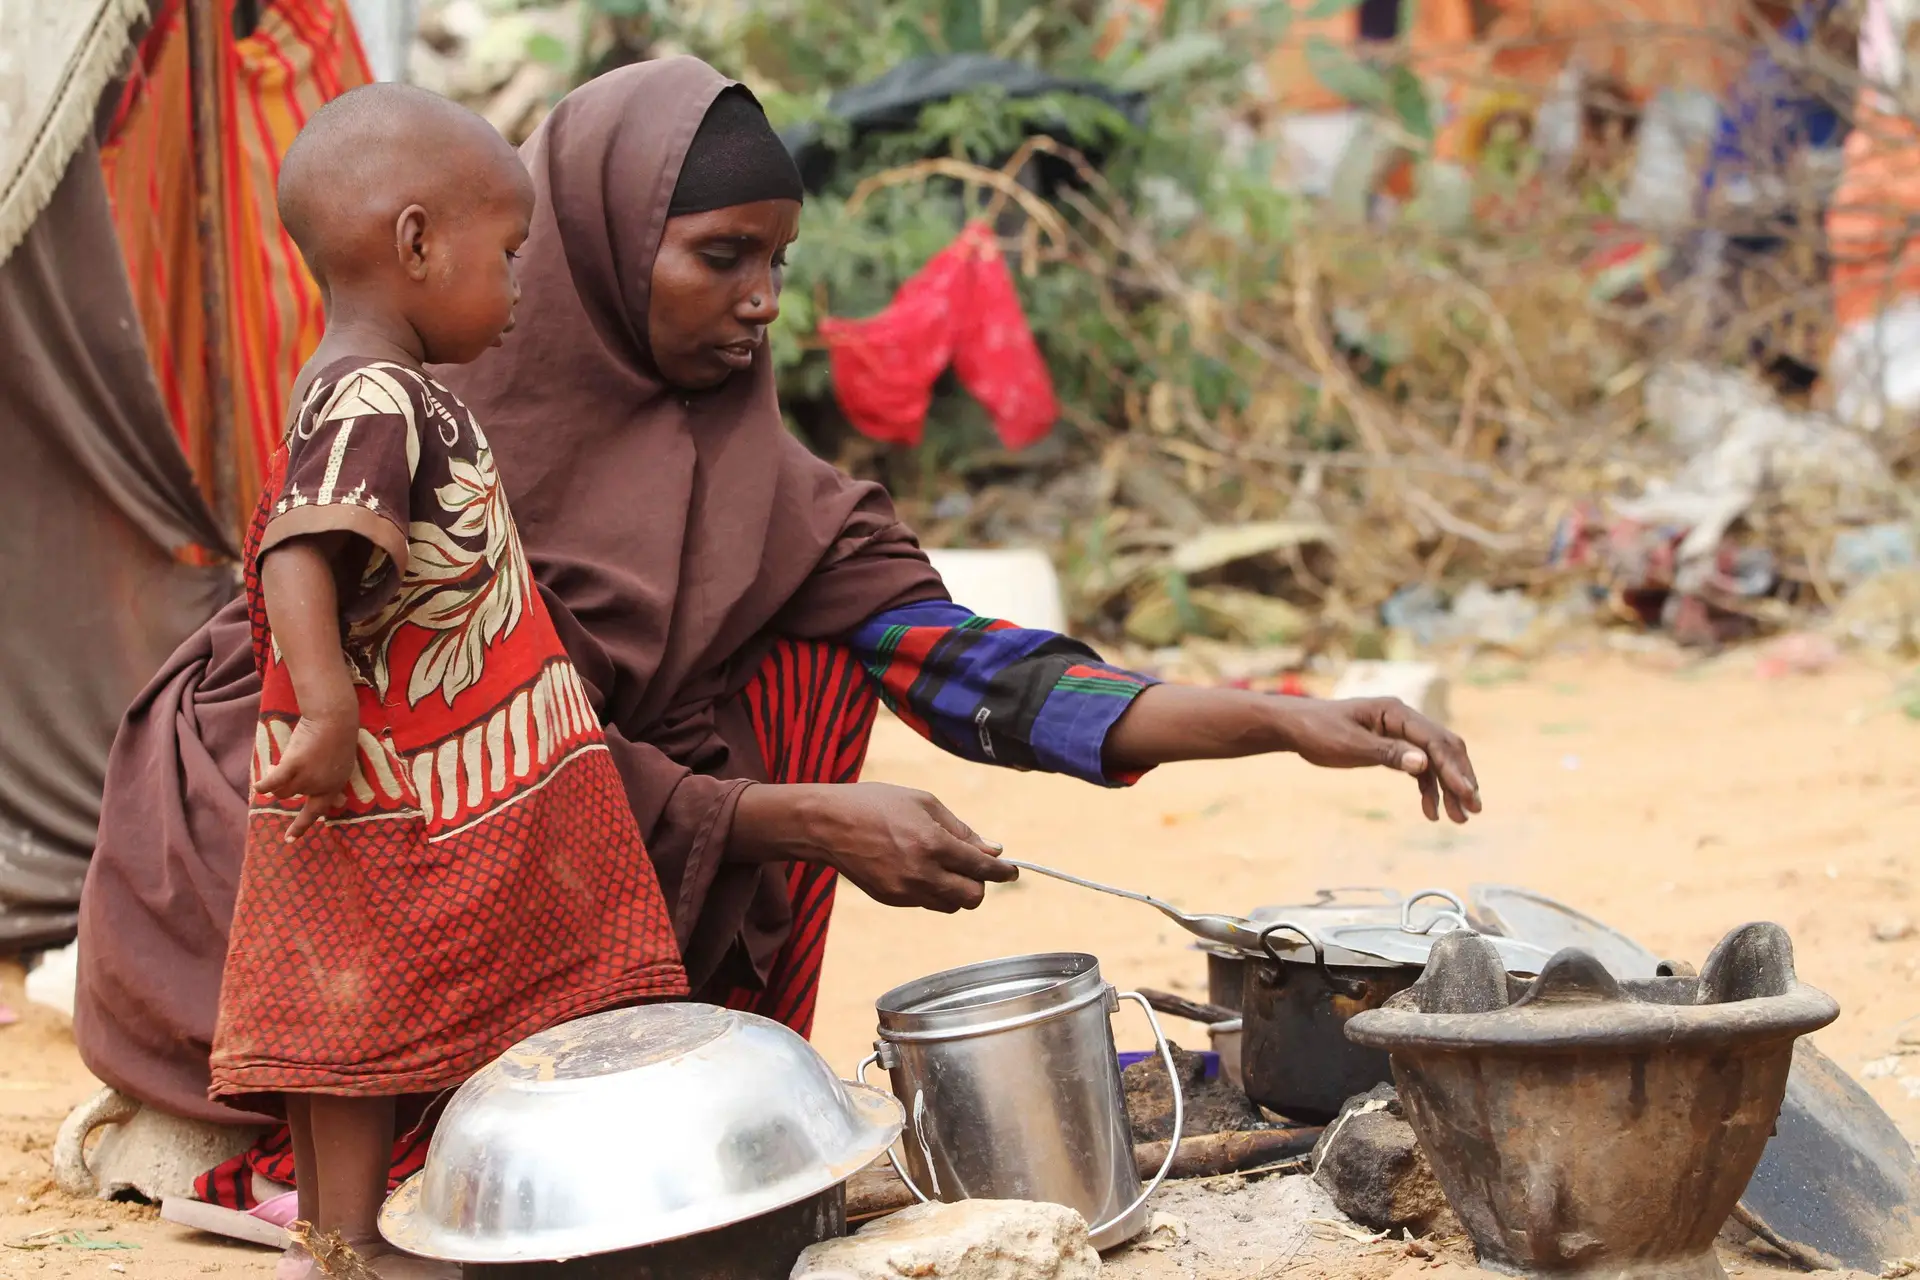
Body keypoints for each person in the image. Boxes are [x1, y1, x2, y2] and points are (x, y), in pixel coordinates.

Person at [74, 56, 1481, 1214]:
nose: (763, 298)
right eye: (720, 257)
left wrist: (1286, 721)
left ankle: (623, 1067)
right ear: (597, 250)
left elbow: (983, 677)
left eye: (778, 261)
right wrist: (801, 821)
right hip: (340, 820)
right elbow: (462, 741)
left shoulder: (757, 483)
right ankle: (323, 1139)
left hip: (546, 822)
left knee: (813, 651)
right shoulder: (420, 419)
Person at [209, 83, 685, 1278]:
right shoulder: (379, 393)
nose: (520, 290)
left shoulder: (369, 386)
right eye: (509, 255)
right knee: (364, 1013)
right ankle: (362, 1238)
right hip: (396, 776)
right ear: (416, 242)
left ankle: (332, 1237)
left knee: (342, 1021)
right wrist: (322, 706)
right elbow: (299, 551)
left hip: (373, 768)